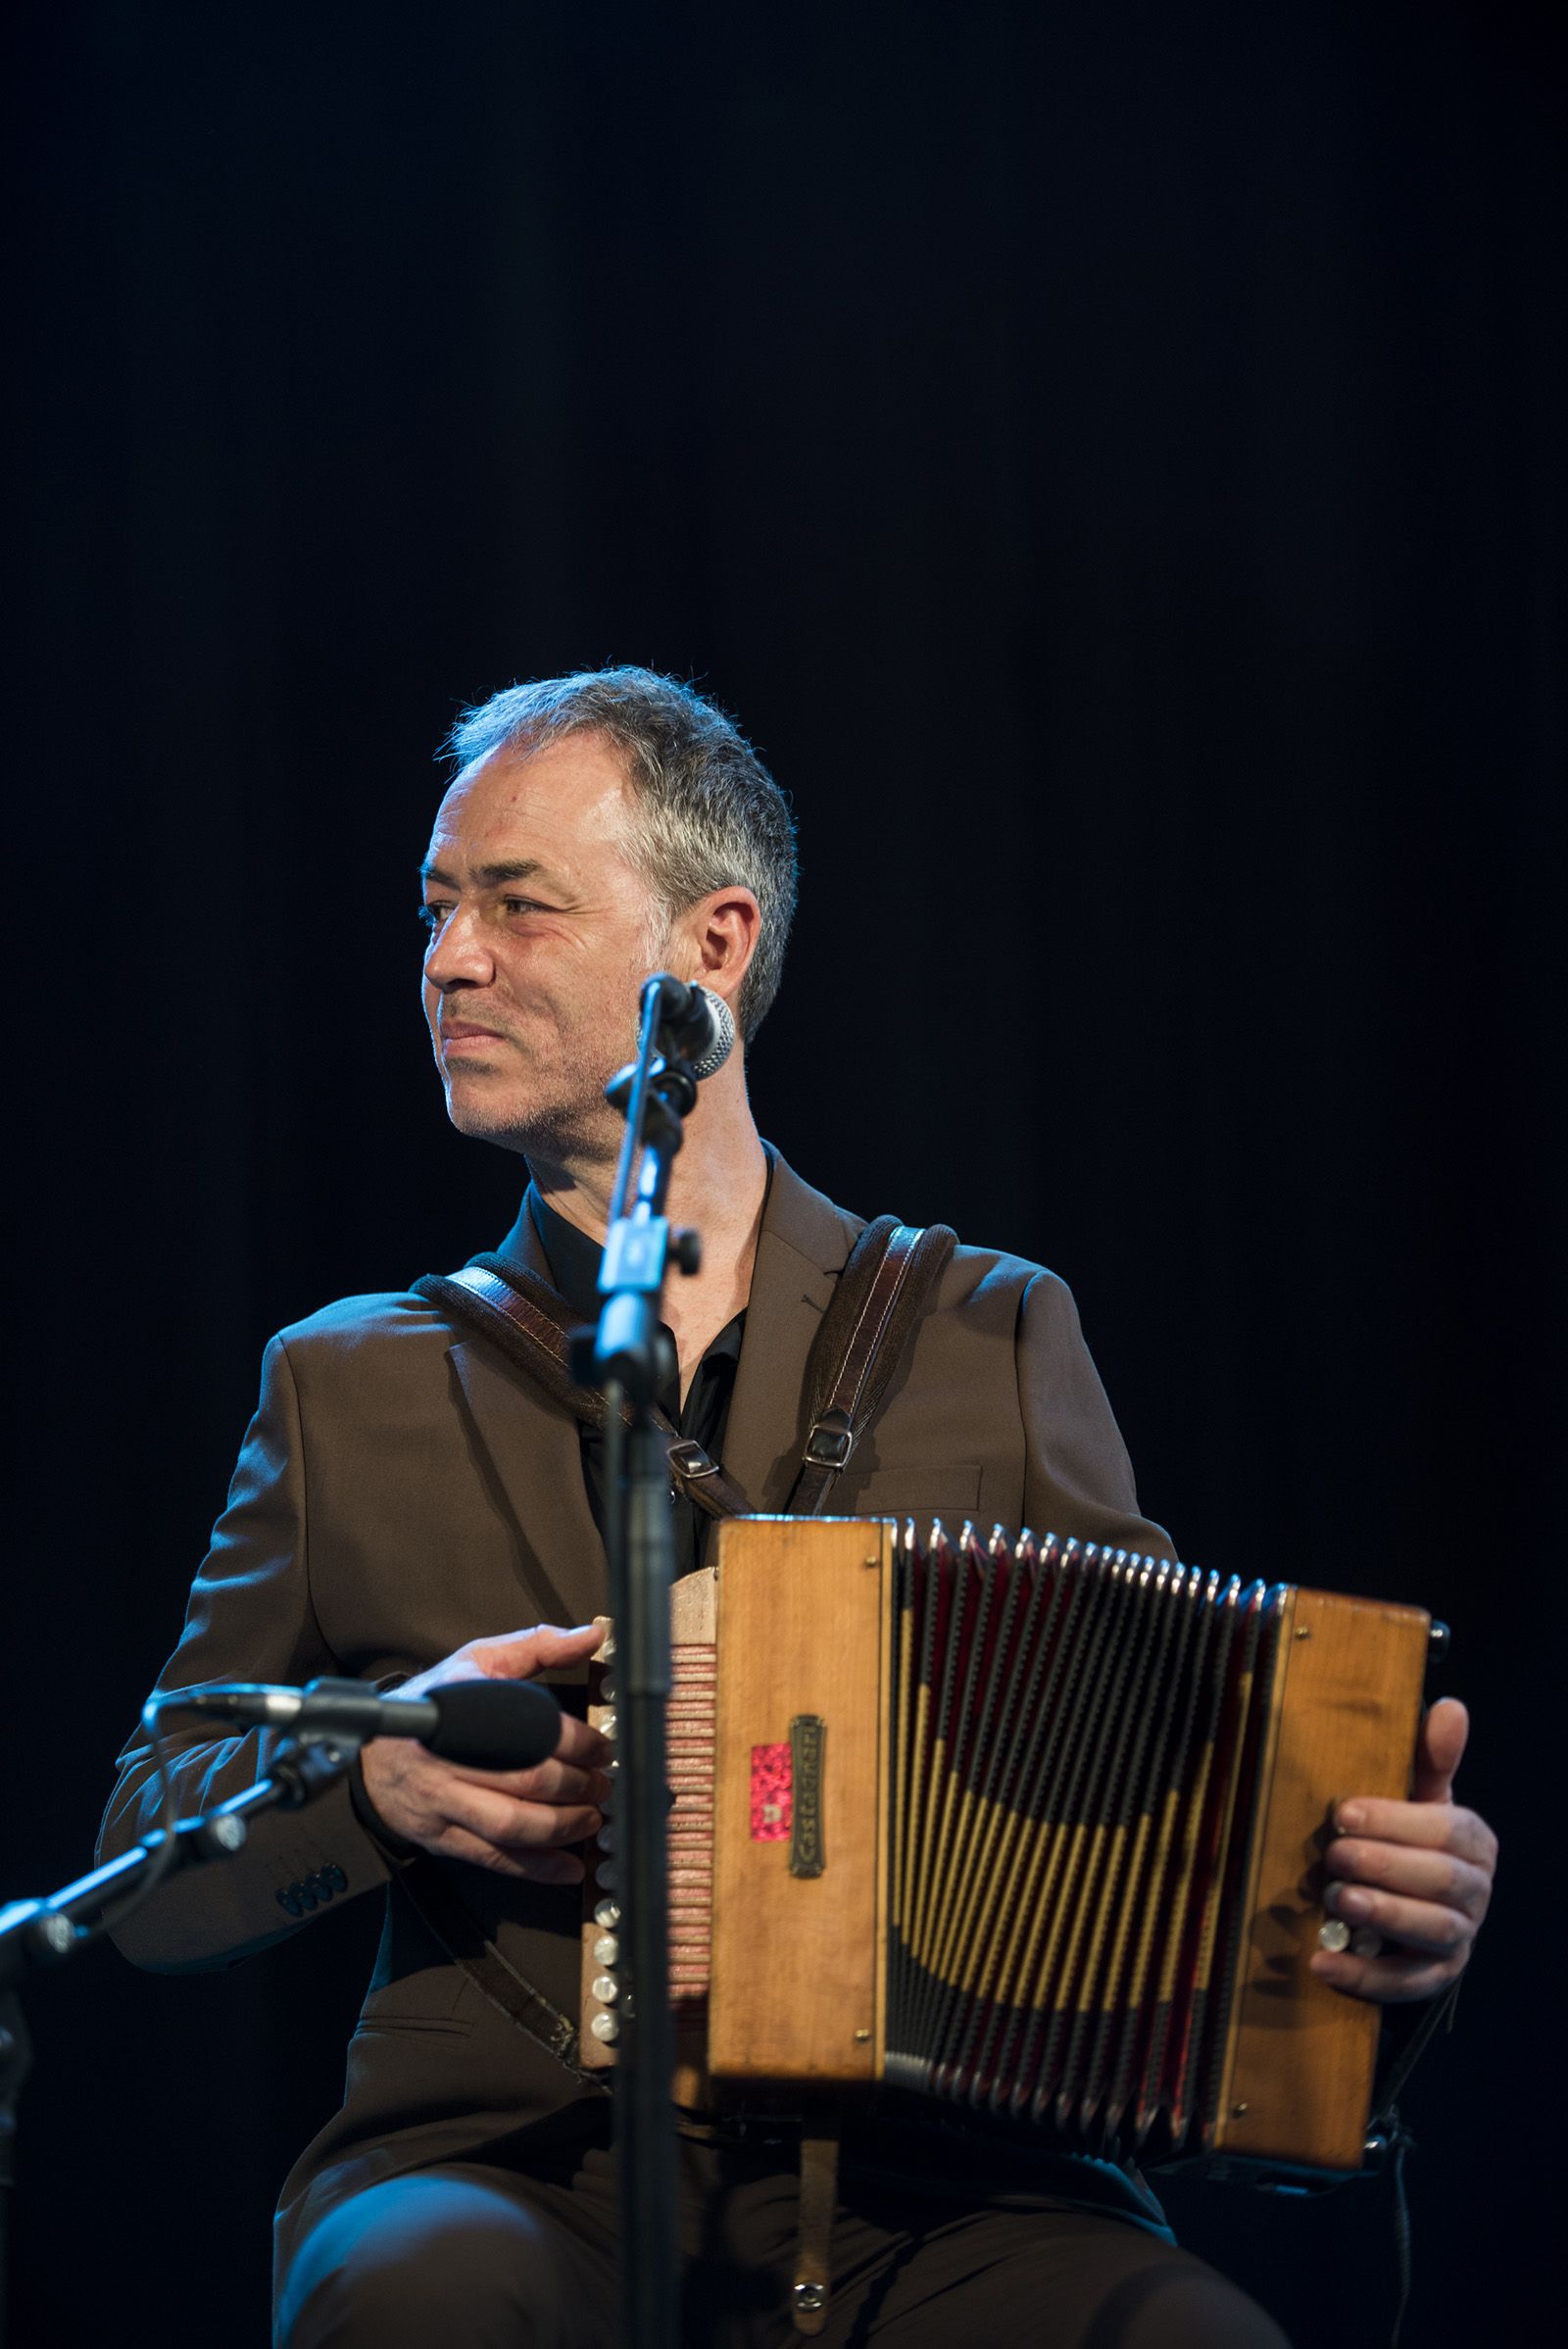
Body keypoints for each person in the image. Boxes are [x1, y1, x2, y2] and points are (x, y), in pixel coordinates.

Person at [99, 668, 1496, 2348]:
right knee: (418, 2299)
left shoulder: (993, 1327)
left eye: (516, 907)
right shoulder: (346, 1382)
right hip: (516, 2169)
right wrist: (371, 1776)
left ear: (713, 945)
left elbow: (1185, 1813)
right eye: (436, 908)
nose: (448, 960)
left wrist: (1382, 1914)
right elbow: (142, 1871)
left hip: (956, 2195)